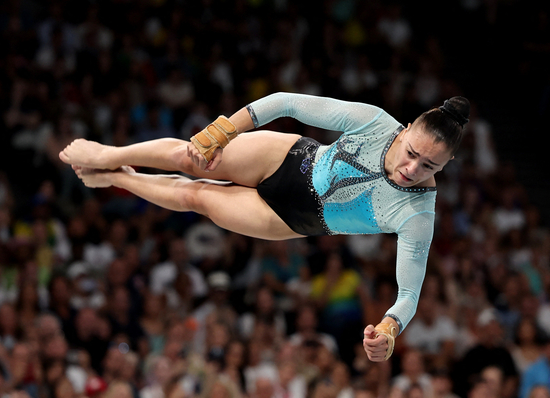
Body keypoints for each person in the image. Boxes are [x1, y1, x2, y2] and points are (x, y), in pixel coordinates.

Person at [59, 91, 470, 361]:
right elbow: (284, 102)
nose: (411, 169)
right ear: (409, 128)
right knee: (193, 157)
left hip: (289, 219)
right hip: (287, 158)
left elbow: (409, 292)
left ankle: (118, 177)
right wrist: (224, 130)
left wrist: (389, 329)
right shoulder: (376, 122)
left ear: (447, 164)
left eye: (429, 166)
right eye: (412, 152)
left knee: (196, 196)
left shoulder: (418, 213)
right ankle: (109, 153)